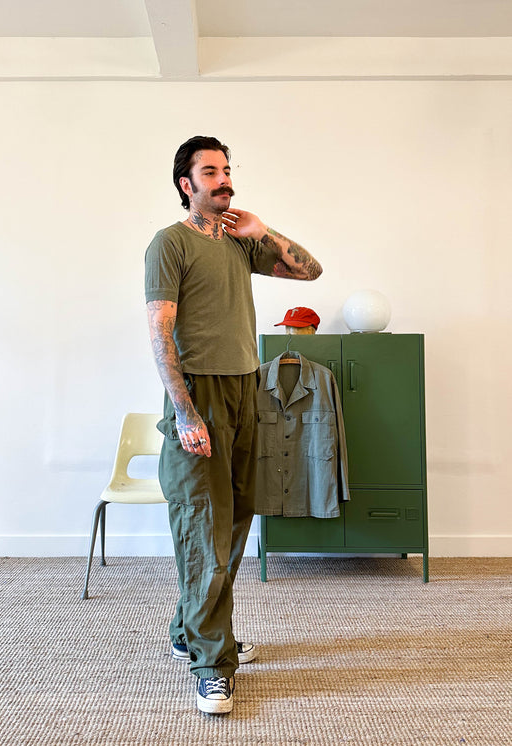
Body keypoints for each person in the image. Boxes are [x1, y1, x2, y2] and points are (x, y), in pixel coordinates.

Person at [144, 135, 322, 715]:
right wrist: (185, 411)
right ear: (186, 185)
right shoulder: (170, 243)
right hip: (200, 392)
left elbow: (310, 271)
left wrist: (261, 231)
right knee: (204, 528)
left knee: (237, 518)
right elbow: (160, 334)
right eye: (210, 172)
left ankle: (190, 630)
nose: (223, 180)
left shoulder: (239, 243)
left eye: (226, 170)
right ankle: (212, 664)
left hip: (247, 388)